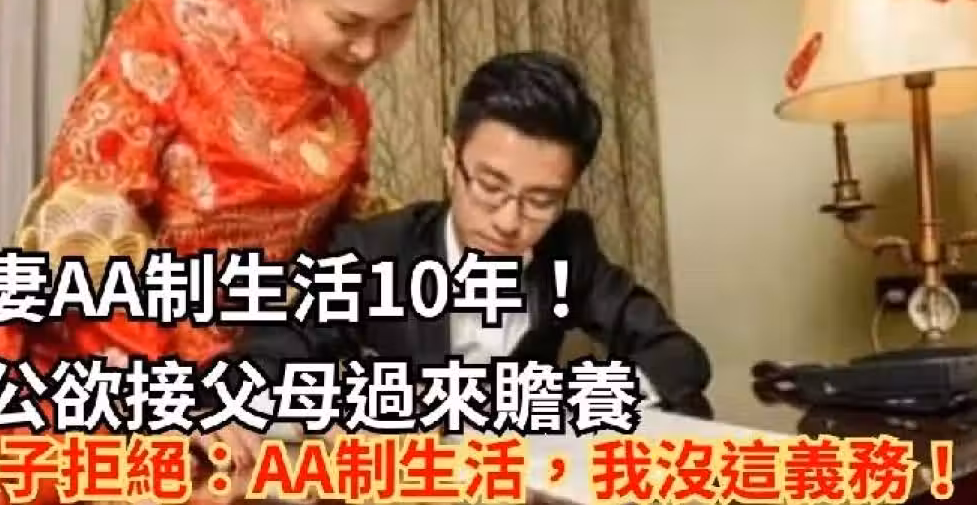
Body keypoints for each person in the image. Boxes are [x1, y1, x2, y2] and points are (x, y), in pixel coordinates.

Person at [0, 0, 436, 502]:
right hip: (106, 360)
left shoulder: (348, 111)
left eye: (396, 25)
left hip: (235, 391)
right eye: (346, 22)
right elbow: (92, 219)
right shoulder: (173, 30)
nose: (369, 49)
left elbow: (348, 249)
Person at [213, 49, 713, 466]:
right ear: (451, 160)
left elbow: (677, 355)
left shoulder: (568, 247)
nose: (509, 222)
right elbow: (269, 354)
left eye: (541, 200)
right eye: (491, 187)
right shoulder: (376, 251)